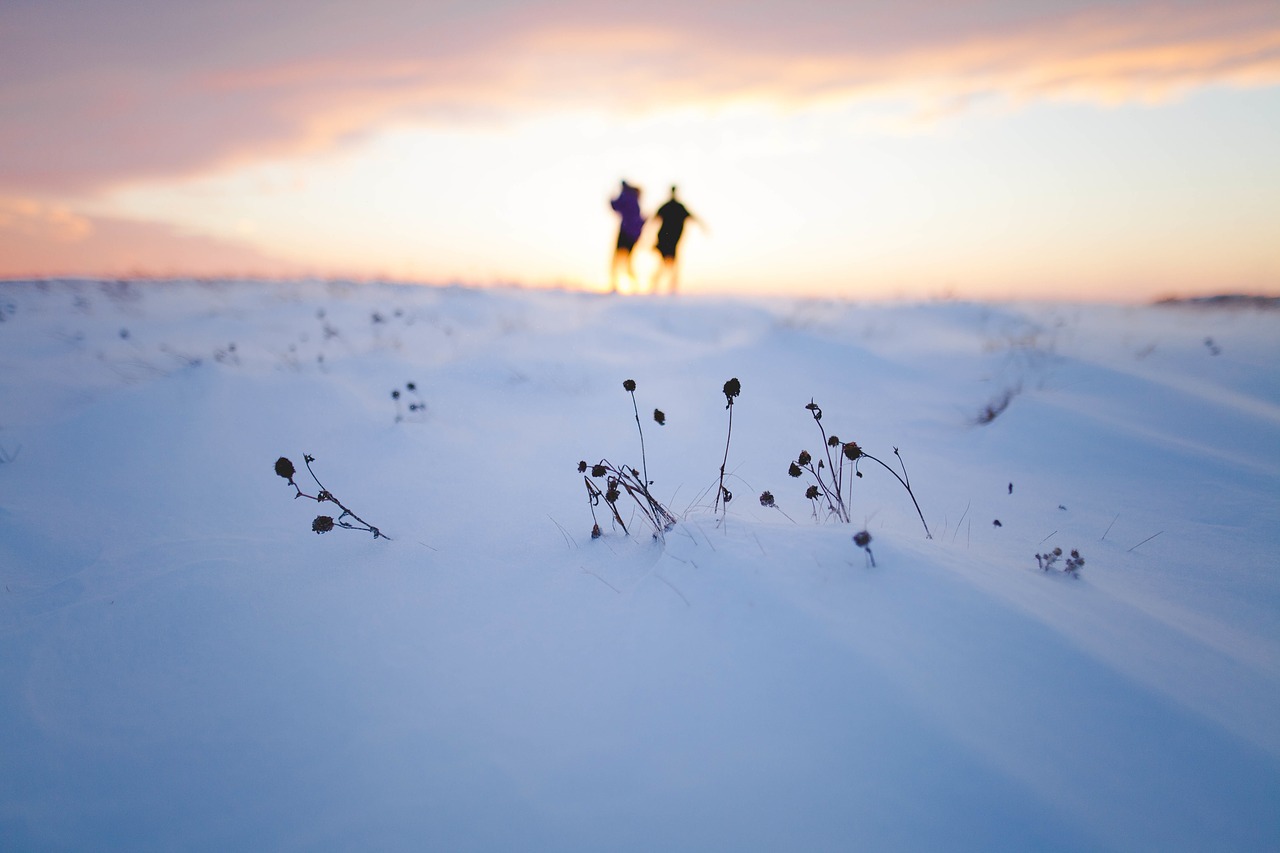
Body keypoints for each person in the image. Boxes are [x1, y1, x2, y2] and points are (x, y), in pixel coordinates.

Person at [650, 185, 699, 294]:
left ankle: (669, 286)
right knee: (666, 263)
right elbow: (654, 220)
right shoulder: (673, 206)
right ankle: (663, 286)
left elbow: (654, 220)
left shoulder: (674, 206)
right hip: (666, 239)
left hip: (670, 240)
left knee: (668, 263)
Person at [609, 181, 645, 293]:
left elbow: (615, 205)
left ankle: (616, 285)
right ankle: (634, 286)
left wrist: (611, 199)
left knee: (617, 260)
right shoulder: (635, 199)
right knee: (628, 261)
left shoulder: (626, 196)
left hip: (625, 232)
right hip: (633, 235)